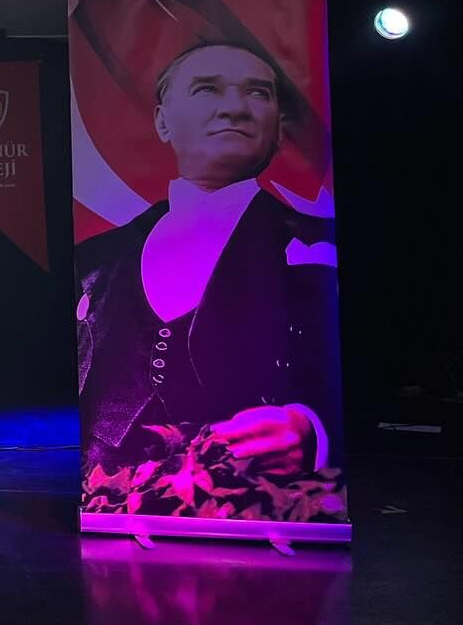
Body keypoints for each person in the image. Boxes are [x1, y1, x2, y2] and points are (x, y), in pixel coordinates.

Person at [76, 41, 341, 483]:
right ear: (162, 121)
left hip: (255, 502)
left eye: (257, 92)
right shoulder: (93, 260)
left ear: (279, 128)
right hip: (103, 502)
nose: (235, 108)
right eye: (207, 89)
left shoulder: (320, 247)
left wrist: (312, 428)